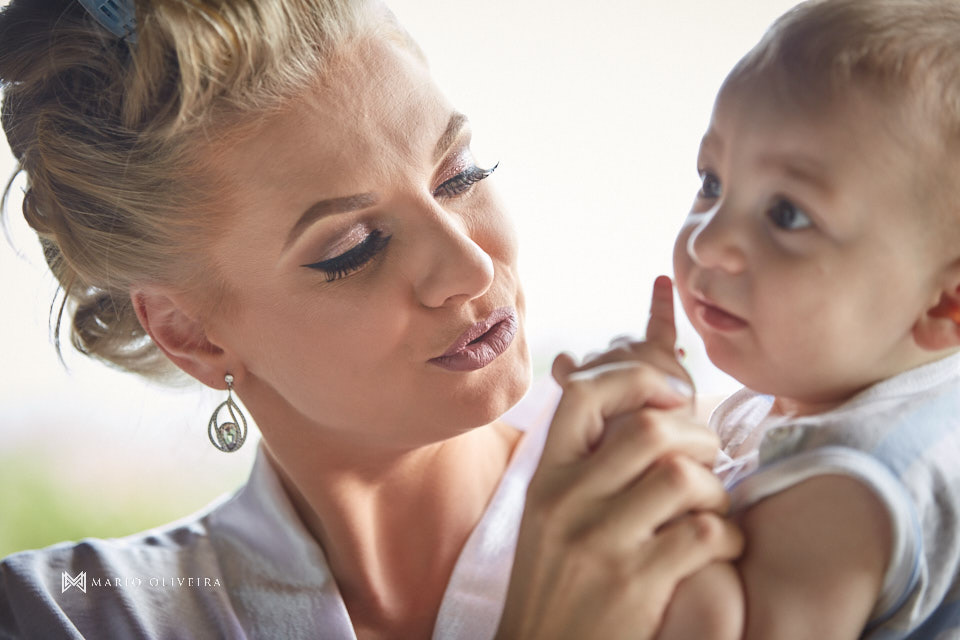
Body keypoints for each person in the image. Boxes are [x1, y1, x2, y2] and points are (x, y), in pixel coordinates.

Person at [0, 0, 742, 638]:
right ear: (189, 334)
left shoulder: (735, 494)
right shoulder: (71, 615)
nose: (471, 269)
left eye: (460, 176)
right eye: (355, 248)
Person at [622, 0, 960, 638]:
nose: (707, 241)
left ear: (946, 304)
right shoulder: (885, 388)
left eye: (788, 215)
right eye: (712, 181)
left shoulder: (837, 492)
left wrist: (655, 474)